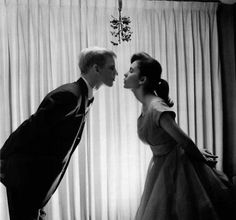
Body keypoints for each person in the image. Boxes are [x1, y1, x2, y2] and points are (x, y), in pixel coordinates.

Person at [0, 46, 117, 220]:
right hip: (25, 180)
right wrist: (2, 157)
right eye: (111, 67)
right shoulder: (70, 96)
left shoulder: (82, 96)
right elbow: (31, 128)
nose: (116, 73)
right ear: (96, 68)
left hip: (36, 183)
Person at [123, 52, 235, 220]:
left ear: (142, 80)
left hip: (178, 168)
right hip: (162, 165)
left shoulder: (156, 107)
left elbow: (183, 140)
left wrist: (199, 155)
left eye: (131, 71)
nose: (125, 73)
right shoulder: (147, 105)